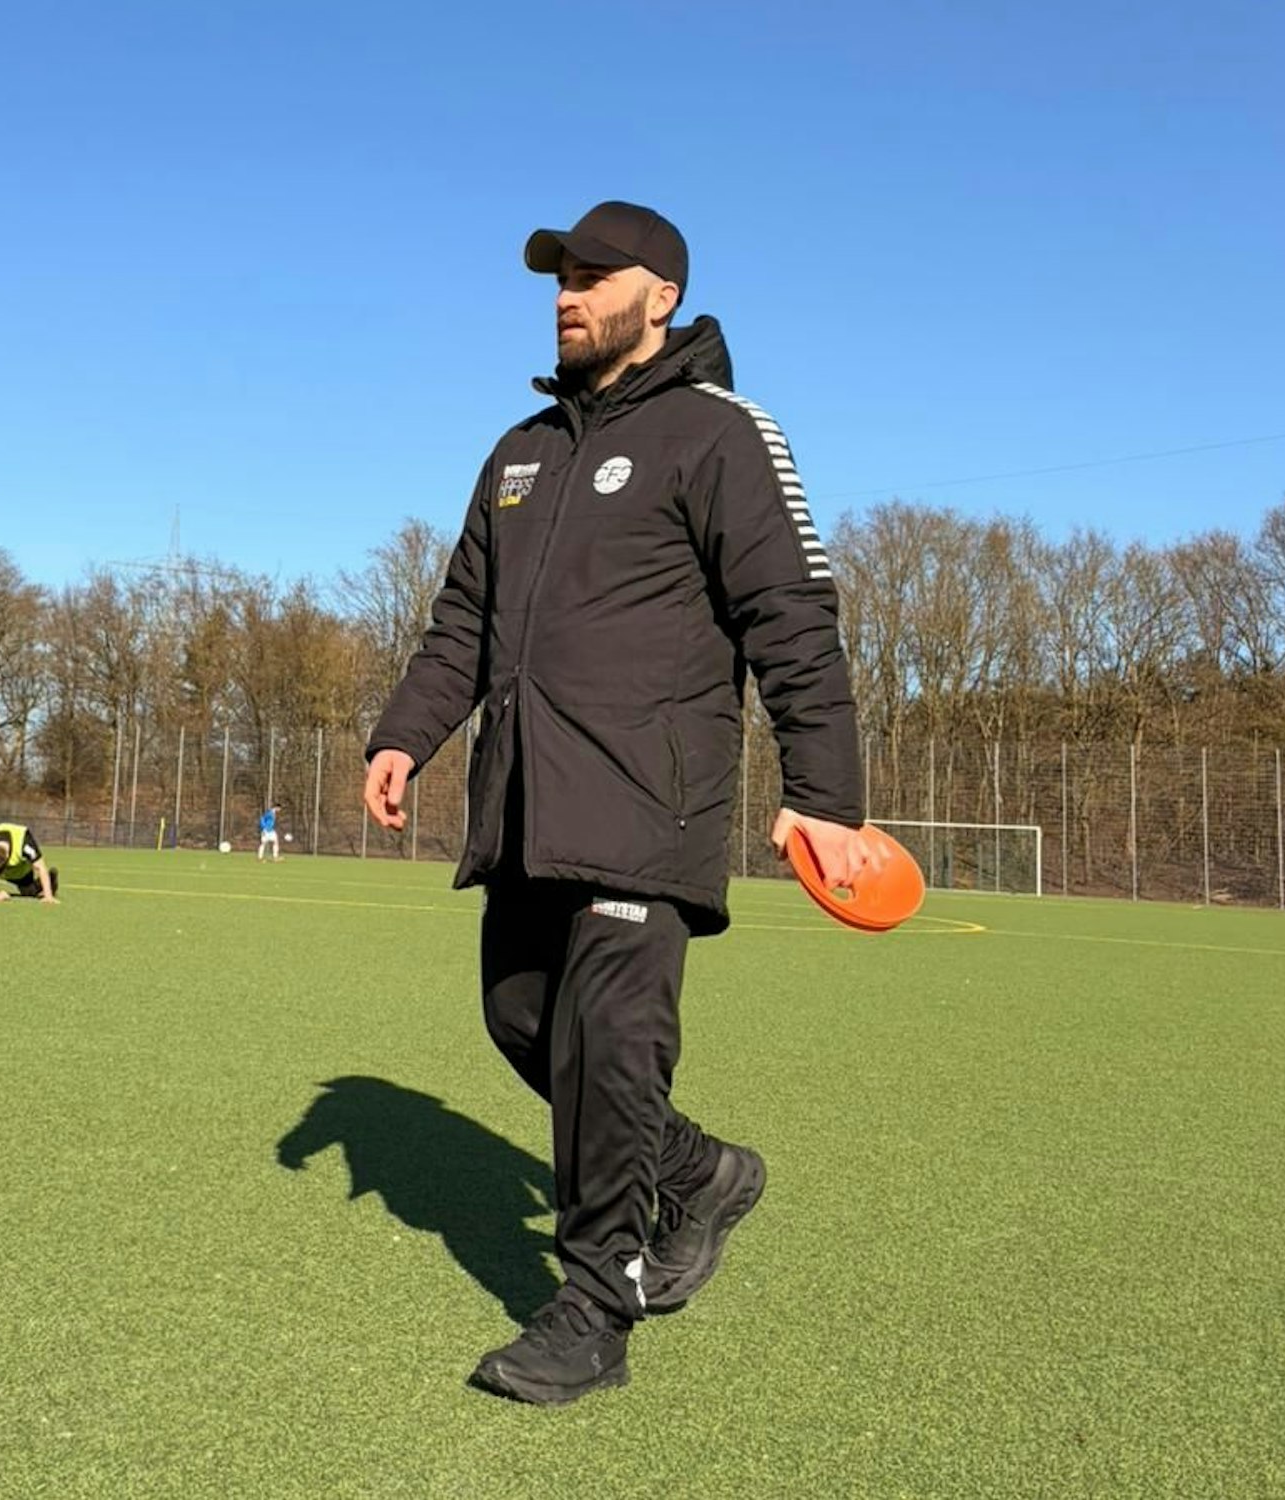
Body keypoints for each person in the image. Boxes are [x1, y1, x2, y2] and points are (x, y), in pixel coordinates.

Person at [361, 201, 894, 1406]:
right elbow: (461, 622)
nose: (565, 289)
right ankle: (698, 1172)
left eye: (593, 273)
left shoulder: (721, 435)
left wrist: (826, 796)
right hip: (525, 804)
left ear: (660, 295)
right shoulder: (516, 451)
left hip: (647, 807)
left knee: (609, 1047)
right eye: (557, 273)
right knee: (518, 1021)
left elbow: (793, 620)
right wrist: (405, 737)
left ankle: (596, 1304)